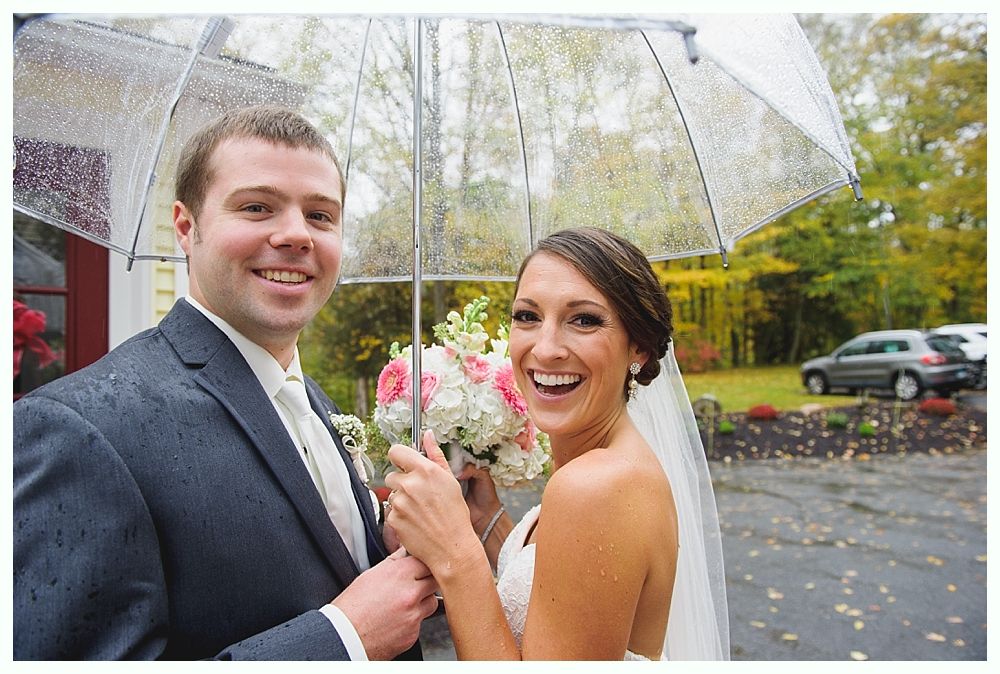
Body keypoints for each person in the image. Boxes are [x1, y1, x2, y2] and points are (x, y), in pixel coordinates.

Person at [13, 105, 439, 660]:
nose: (295, 235)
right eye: (257, 207)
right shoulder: (77, 429)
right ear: (187, 228)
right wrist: (342, 640)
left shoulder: (318, 406)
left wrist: (403, 550)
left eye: (320, 215)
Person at [384, 227, 729, 660]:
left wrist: (455, 552)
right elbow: (558, 593)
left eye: (583, 320)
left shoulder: (598, 486)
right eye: (528, 316)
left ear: (638, 347)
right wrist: (486, 519)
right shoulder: (613, 465)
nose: (545, 350)